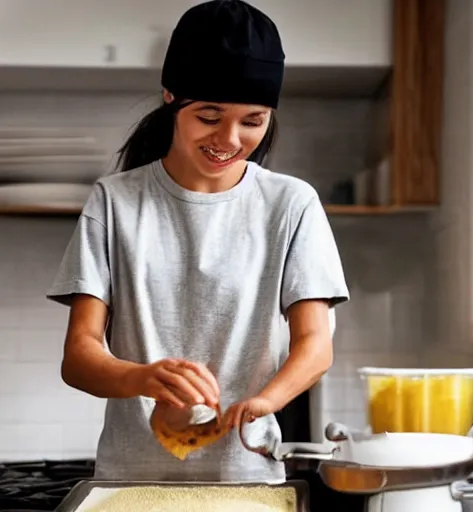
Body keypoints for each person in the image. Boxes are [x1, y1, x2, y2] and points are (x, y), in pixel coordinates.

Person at [47, 0, 349, 483]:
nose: (229, 138)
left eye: (253, 120)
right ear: (171, 97)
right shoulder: (114, 201)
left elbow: (315, 344)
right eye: (209, 115)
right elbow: (79, 356)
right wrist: (142, 377)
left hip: (248, 478)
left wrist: (265, 402)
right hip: (129, 479)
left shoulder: (291, 205)